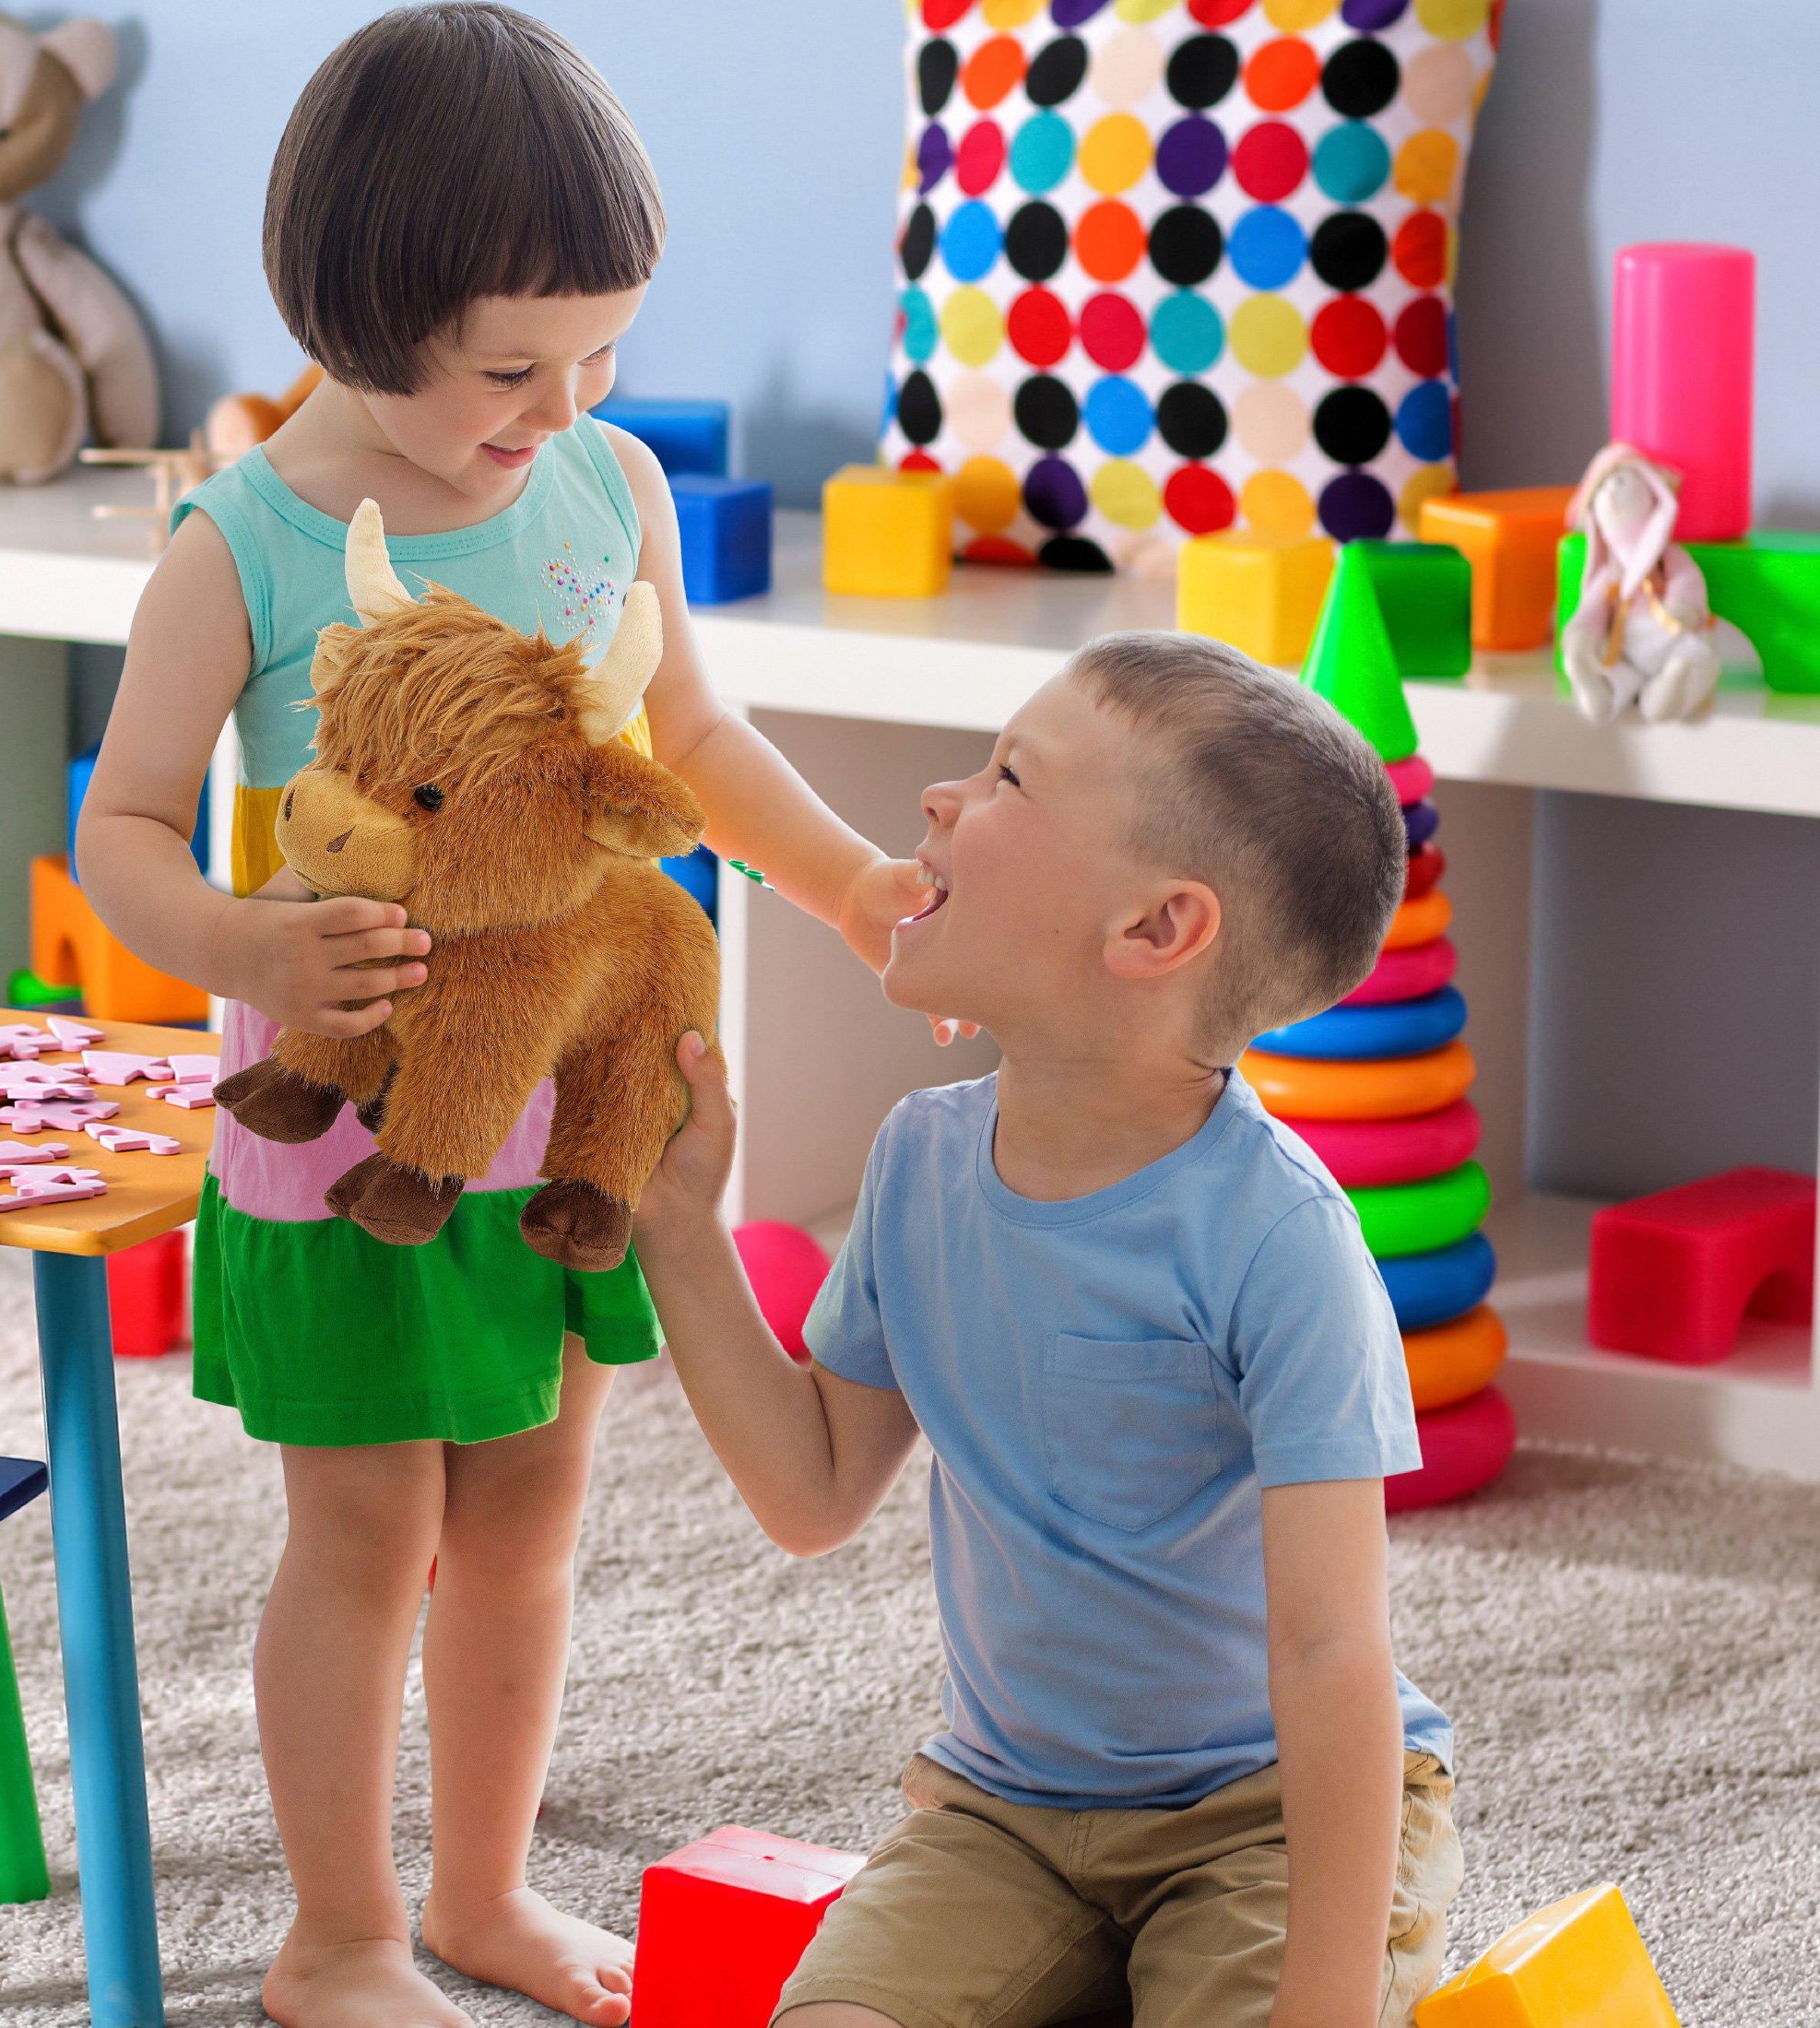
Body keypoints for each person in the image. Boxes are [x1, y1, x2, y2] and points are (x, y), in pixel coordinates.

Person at [75, 9, 932, 2026]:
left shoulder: (604, 484)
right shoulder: (243, 544)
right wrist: (244, 946)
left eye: (601, 353)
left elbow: (689, 735)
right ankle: (338, 1934)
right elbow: (120, 826)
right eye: (510, 369)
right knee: (369, 1529)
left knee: (531, 1517)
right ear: (357, 318)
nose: (564, 406)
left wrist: (845, 884)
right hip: (347, 1121)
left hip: (568, 1116)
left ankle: (478, 1893)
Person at [634, 632, 1465, 2028]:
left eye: (1009, 777)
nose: (942, 798)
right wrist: (679, 1226)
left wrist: (1323, 2002)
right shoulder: (917, 1160)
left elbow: (1334, 1655)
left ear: (1156, 931)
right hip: (1003, 1815)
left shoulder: (1281, 1238)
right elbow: (812, 1490)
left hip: (1264, 1822)